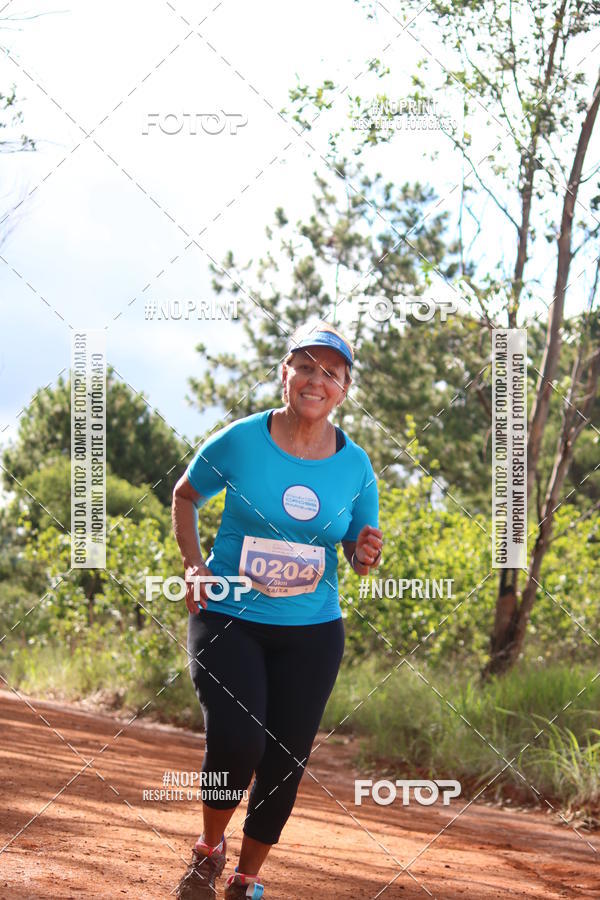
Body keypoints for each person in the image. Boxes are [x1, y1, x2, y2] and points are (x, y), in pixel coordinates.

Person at [171, 321, 383, 899]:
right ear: (285, 373)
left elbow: (356, 544)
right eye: (306, 367)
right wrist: (194, 565)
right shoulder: (241, 440)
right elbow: (185, 495)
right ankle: (209, 848)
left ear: (344, 388)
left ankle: (247, 877)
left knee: (286, 757)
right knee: (239, 741)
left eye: (331, 373)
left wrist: (363, 552)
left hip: (312, 630)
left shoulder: (356, 466)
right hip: (229, 617)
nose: (317, 381)